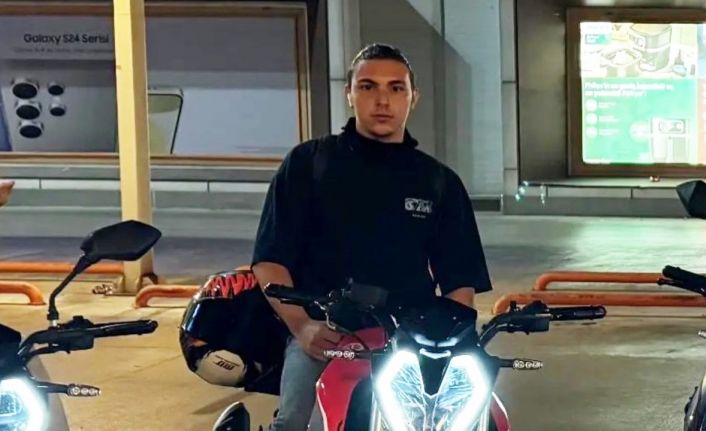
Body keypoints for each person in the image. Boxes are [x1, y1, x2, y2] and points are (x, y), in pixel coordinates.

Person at [251, 43, 492, 430]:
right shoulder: (309, 164)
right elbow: (269, 261)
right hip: (325, 335)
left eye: (396, 88)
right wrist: (302, 326)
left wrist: (445, 339)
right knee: (295, 421)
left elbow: (460, 279)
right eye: (368, 87)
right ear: (349, 93)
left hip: (411, 340)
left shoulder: (438, 181)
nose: (383, 100)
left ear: (414, 97)